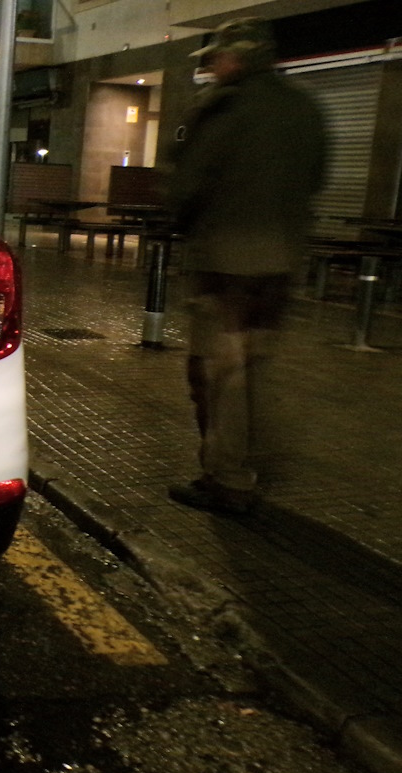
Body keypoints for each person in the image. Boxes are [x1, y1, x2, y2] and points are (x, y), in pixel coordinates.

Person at [165, 17, 327, 514]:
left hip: (226, 265)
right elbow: (316, 177)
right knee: (254, 368)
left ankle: (229, 480)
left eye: (216, 58)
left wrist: (183, 218)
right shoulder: (304, 107)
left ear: (237, 57)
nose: (212, 68)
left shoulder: (223, 107)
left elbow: (186, 186)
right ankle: (248, 463)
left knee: (221, 375)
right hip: (281, 264)